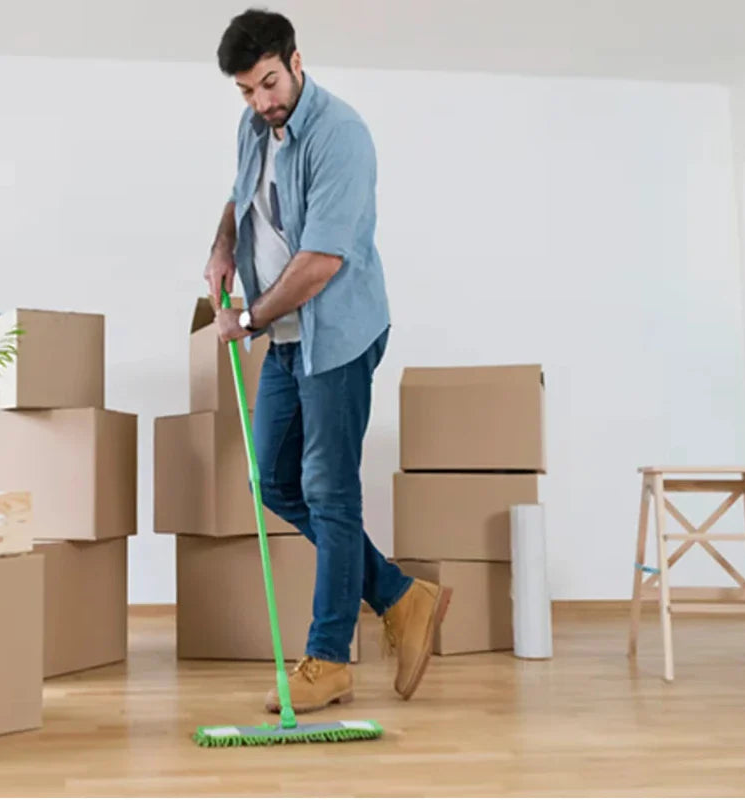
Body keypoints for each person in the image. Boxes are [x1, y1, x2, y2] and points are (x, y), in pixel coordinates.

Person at [204, 8, 452, 713]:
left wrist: (247, 319)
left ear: (297, 60)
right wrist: (223, 244)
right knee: (275, 480)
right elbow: (238, 194)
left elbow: (321, 262)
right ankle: (402, 597)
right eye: (248, 90)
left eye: (270, 83)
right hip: (284, 337)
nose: (262, 101)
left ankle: (330, 658)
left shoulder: (341, 136)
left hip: (333, 336)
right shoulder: (254, 126)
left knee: (330, 492)